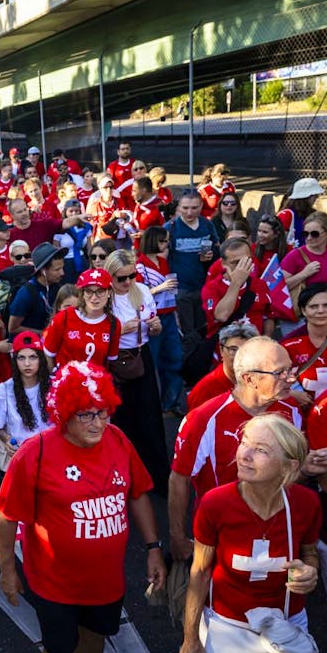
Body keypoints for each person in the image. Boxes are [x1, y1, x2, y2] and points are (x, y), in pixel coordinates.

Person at [0, 361, 165, 653]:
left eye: (102, 412)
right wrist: (8, 571)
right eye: (85, 414)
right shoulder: (35, 453)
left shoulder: (119, 440)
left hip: (106, 581)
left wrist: (153, 547)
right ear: (63, 413)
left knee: (94, 637)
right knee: (60, 651)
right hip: (54, 584)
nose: (97, 424)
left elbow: (137, 493)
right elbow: (8, 516)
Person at [180, 414, 320, 653]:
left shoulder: (306, 503)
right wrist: (191, 640)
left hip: (286, 624)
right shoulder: (215, 504)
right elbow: (200, 572)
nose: (244, 454)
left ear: (289, 466)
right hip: (227, 626)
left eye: (261, 450)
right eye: (244, 442)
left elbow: (309, 553)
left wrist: (309, 573)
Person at [169, 336, 304, 562]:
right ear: (248, 378)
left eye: (290, 369)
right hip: (221, 536)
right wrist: (177, 538)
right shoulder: (203, 419)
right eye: (280, 372)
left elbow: (291, 471)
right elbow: (179, 479)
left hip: (274, 529)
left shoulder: (292, 409)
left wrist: (306, 466)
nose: (291, 378)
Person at [104, 250, 168, 492]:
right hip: (116, 360)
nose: (128, 282)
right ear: (110, 277)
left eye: (132, 275)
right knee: (122, 420)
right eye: (121, 278)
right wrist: (119, 331)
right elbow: (97, 333)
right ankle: (126, 479)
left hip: (142, 355)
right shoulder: (104, 297)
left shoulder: (140, 291)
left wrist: (155, 326)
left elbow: (156, 330)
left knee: (150, 417)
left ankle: (158, 477)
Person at [166, 190, 219, 358]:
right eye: (185, 208)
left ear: (202, 206)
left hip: (204, 287)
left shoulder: (207, 225)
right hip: (180, 288)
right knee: (187, 333)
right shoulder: (171, 228)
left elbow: (217, 250)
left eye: (194, 208)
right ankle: (187, 370)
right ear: (178, 207)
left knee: (202, 329)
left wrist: (211, 256)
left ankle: (200, 365)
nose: (189, 212)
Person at [136, 226, 183, 413]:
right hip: (152, 318)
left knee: (174, 358)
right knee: (152, 362)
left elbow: (170, 292)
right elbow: (137, 294)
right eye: (163, 241)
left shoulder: (163, 263)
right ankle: (152, 405)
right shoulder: (140, 265)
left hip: (169, 315)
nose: (166, 244)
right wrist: (161, 287)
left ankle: (171, 402)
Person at [0, 330, 53, 456]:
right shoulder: (3, 391)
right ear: (15, 360)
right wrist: (7, 439)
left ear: (41, 359)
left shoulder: (54, 386)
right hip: (20, 455)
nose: (27, 364)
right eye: (21, 358)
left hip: (50, 453)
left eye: (33, 357)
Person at [43, 268, 119, 369]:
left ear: (109, 292)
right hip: (65, 382)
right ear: (82, 293)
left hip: (97, 382)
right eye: (88, 292)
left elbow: (110, 362)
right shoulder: (63, 317)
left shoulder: (114, 324)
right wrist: (54, 377)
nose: (94, 298)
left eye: (100, 291)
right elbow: (49, 354)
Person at [201, 237, 275, 339]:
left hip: (254, 347)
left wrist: (267, 337)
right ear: (223, 263)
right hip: (226, 350)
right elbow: (222, 316)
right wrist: (236, 283)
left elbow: (268, 316)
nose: (242, 267)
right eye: (236, 263)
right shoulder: (212, 288)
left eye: (246, 261)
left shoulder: (260, 284)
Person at [186, 321, 259, 410]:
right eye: (233, 349)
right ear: (221, 350)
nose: (239, 356)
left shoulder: (265, 380)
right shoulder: (204, 391)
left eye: (246, 350)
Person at [7, 242, 66, 335]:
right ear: (43, 271)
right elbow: (13, 328)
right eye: (57, 270)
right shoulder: (26, 293)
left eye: (62, 268)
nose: (62, 273)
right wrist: (43, 333)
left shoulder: (57, 286)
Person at [283, 284, 327, 401]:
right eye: (313, 306)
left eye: (326, 305)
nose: (321, 311)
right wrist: (292, 393)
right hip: (301, 412)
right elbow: (274, 379)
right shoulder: (286, 345)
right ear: (303, 310)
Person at [283, 211, 327, 295]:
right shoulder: (294, 256)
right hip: (308, 306)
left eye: (315, 234)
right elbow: (279, 287)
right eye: (305, 234)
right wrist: (304, 274)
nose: (309, 238)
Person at [278, 177, 325, 246]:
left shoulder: (312, 214)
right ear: (306, 197)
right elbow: (276, 240)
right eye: (314, 195)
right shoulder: (286, 215)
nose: (316, 197)